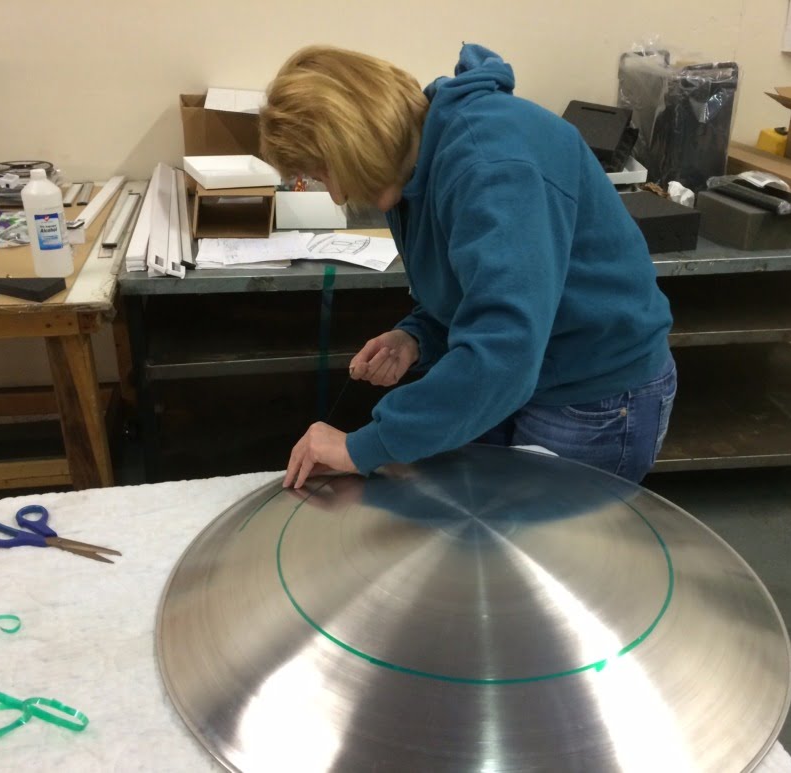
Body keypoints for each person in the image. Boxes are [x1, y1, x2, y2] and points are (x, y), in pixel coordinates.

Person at [259, 43, 676, 490]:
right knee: (481, 532)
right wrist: (418, 336)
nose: (338, 198)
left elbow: (504, 352)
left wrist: (361, 447)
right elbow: (477, 293)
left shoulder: (490, 167)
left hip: (592, 392)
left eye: (324, 175)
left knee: (550, 552)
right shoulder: (419, 162)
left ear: (354, 145)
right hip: (527, 374)